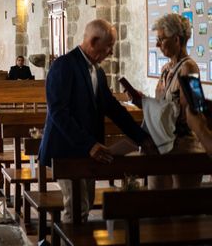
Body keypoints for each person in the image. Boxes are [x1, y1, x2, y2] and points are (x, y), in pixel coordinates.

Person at [38, 19, 155, 223]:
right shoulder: (64, 65)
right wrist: (89, 145)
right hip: (65, 151)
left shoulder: (97, 71)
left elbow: (112, 108)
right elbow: (58, 113)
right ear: (93, 41)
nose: (111, 52)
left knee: (86, 203)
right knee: (76, 208)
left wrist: (141, 137)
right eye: (109, 46)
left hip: (87, 151)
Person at [127, 13, 204, 189]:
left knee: (183, 205)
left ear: (176, 39)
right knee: (157, 201)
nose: (157, 45)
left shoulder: (189, 68)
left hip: (183, 148)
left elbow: (195, 106)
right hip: (161, 145)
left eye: (161, 39)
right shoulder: (165, 69)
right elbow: (163, 106)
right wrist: (144, 102)